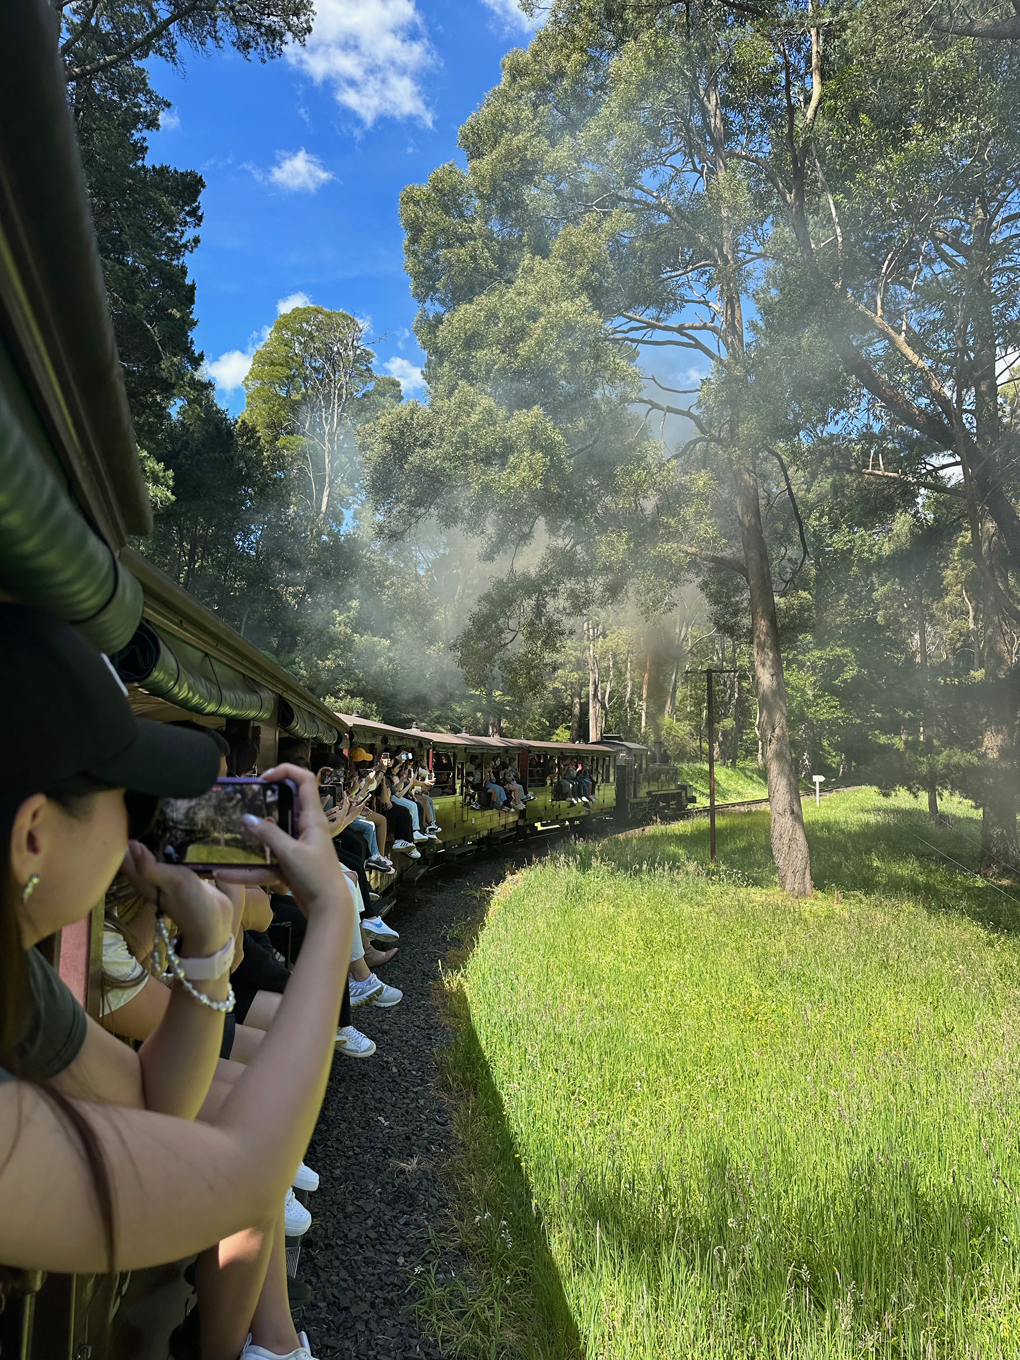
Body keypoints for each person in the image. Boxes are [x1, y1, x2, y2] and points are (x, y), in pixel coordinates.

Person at [0, 604, 356, 1360]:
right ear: (34, 837)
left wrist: (203, 940)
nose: (143, 830)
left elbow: (155, 1099)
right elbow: (246, 1179)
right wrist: (330, 913)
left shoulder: (19, 980)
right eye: (125, 801)